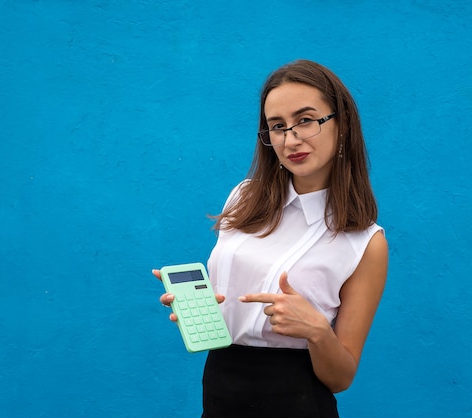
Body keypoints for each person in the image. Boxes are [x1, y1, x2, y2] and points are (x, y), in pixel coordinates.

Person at [153, 59, 388, 417]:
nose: (290, 139)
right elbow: (228, 299)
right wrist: (197, 308)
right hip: (220, 390)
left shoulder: (365, 242)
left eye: (305, 120)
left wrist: (317, 331)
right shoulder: (244, 197)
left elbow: (341, 377)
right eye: (277, 126)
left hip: (296, 400)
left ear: (341, 125)